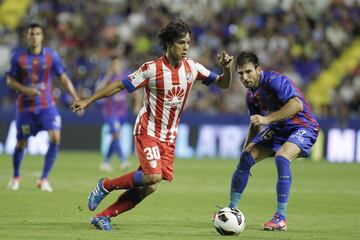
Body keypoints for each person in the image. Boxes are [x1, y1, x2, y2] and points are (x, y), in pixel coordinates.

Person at [71, 21, 234, 231]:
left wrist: (227, 69)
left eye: (188, 43)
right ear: (169, 44)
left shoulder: (193, 68)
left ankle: (103, 216)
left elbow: (224, 83)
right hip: (148, 130)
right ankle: (105, 185)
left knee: (151, 186)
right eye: (181, 42)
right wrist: (88, 100)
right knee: (153, 175)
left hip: (169, 136)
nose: (186, 47)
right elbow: (120, 85)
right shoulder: (152, 69)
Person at [228, 52, 319, 231]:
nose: (245, 78)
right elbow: (255, 124)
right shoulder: (251, 95)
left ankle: (281, 218)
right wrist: (245, 153)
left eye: (248, 72)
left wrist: (267, 120)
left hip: (303, 126)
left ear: (258, 69)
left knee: (282, 157)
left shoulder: (274, 81)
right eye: (240, 74)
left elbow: (296, 105)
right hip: (278, 129)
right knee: (245, 158)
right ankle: (231, 210)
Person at [6, 23, 81, 192]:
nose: (34, 37)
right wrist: (25, 89)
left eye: (38, 33)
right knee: (21, 143)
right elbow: (10, 80)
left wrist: (76, 98)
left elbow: (63, 77)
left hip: (47, 106)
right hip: (25, 107)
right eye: (31, 34)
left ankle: (44, 178)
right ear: (27, 37)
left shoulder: (51, 56)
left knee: (55, 137)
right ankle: (16, 176)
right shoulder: (18, 57)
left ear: (42, 37)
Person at [98, 55, 141, 172]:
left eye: (117, 64)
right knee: (116, 135)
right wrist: (108, 76)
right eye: (113, 65)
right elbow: (98, 90)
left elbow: (136, 91)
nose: (116, 67)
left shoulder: (125, 75)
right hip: (109, 112)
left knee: (115, 137)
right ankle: (123, 160)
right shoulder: (107, 76)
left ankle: (105, 162)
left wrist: (137, 104)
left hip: (122, 112)